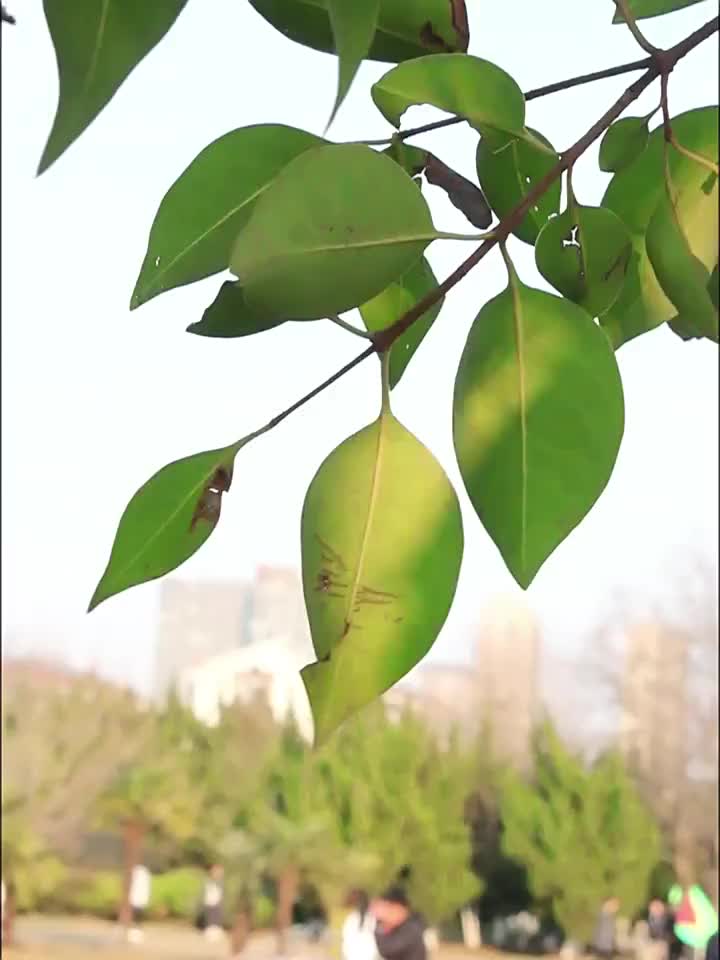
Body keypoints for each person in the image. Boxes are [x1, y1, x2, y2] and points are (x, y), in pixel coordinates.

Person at [371, 886, 426, 960]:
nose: (388, 914)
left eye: (389, 909)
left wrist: (380, 924)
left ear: (399, 907)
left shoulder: (411, 929)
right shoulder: (402, 927)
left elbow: (386, 949)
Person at [342, 890, 378, 960]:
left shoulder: (351, 918)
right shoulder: (373, 918)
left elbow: (346, 937)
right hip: (369, 955)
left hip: (352, 954)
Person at [200, 864, 225, 942]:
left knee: (216, 918)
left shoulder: (221, 883)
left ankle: (216, 933)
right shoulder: (208, 881)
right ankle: (210, 934)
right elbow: (205, 892)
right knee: (210, 918)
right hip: (209, 902)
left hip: (217, 902)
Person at [127, 863, 151, 944]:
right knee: (136, 918)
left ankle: (134, 934)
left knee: (136, 918)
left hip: (137, 899)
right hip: (138, 899)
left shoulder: (140, 872)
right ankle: (134, 934)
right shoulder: (143, 873)